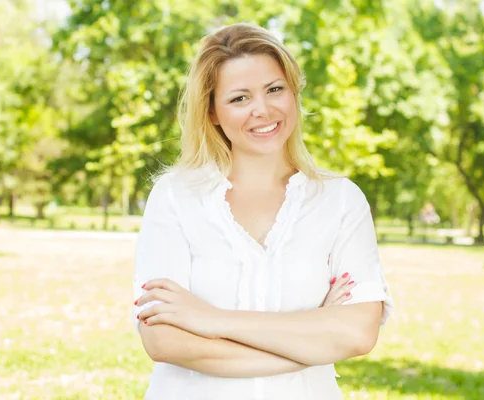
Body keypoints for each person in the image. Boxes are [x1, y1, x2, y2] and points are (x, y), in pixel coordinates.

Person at [131, 22, 393, 400]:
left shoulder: (341, 200)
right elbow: (164, 341)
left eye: (274, 89)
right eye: (239, 98)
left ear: (293, 93)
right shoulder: (174, 197)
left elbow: (357, 334)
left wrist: (211, 320)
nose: (263, 109)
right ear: (213, 112)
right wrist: (309, 344)